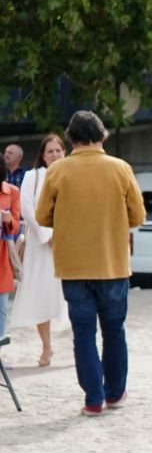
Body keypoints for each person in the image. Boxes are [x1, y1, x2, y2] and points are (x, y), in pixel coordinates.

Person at [35, 111, 146, 415]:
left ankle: (93, 399)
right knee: (114, 331)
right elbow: (138, 216)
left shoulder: (58, 171)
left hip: (74, 266)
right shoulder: (120, 168)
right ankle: (115, 393)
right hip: (112, 263)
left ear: (70, 138)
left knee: (83, 334)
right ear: (102, 136)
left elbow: (43, 216)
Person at [12, 134, 70, 364]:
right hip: (40, 243)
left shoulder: (72, 174)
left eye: (58, 150)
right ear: (43, 156)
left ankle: (79, 343)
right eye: (50, 151)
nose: (55, 155)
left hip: (68, 243)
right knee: (40, 294)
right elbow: (26, 207)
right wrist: (47, 235)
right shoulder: (32, 176)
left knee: (69, 294)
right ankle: (46, 346)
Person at [0, 173, 18, 344]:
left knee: (1, 308)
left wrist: (8, 220)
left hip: (2, 255)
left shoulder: (12, 191)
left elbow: (15, 226)